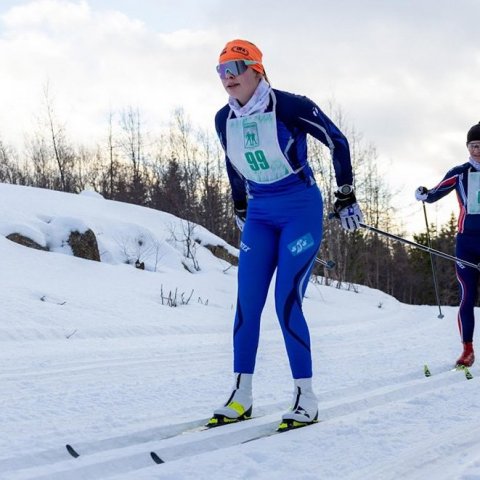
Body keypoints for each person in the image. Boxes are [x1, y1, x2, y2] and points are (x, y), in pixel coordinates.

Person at [209, 39, 363, 431]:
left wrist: (345, 194)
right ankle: (241, 394)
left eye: (235, 68)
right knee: (247, 302)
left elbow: (337, 141)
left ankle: (305, 397)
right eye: (221, 70)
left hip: (299, 210)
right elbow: (233, 164)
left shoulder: (291, 105)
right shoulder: (221, 119)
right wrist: (240, 204)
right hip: (260, 213)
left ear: (257, 70)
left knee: (286, 301)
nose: (227, 78)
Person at [415, 121, 480, 368]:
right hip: (466, 243)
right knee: (467, 296)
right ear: (467, 147)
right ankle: (467, 350)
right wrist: (424, 193)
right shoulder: (460, 172)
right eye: (473, 145)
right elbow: (435, 193)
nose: (477, 150)